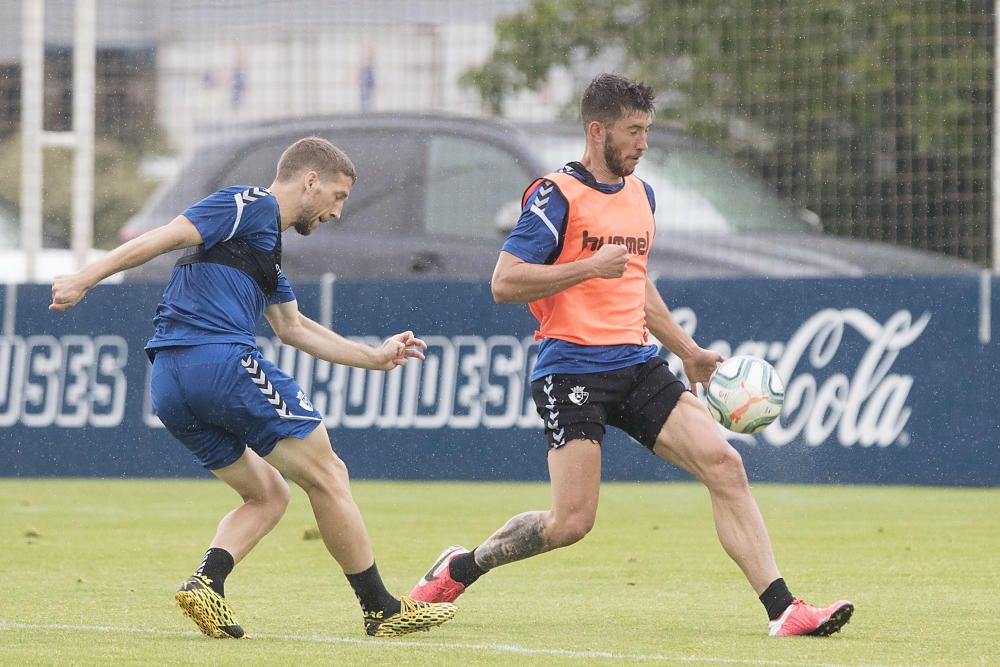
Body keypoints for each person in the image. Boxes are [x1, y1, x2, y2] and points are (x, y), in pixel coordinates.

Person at [407, 74, 853, 638]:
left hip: (637, 364)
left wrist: (686, 351)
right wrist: (588, 266)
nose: (643, 143)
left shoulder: (643, 196)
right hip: (569, 369)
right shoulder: (554, 197)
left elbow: (636, 287)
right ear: (598, 131)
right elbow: (505, 281)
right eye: (633, 131)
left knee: (726, 465)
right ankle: (463, 567)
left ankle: (784, 610)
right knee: (571, 523)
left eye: (647, 130)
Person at [50, 137, 457, 639]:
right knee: (329, 473)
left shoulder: (265, 249)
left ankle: (207, 584)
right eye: (339, 195)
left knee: (268, 494)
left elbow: (294, 328)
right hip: (218, 362)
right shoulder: (249, 204)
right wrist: (85, 278)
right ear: (310, 180)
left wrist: (373, 357)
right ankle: (382, 609)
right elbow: (165, 236)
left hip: (171, 384)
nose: (337, 211)